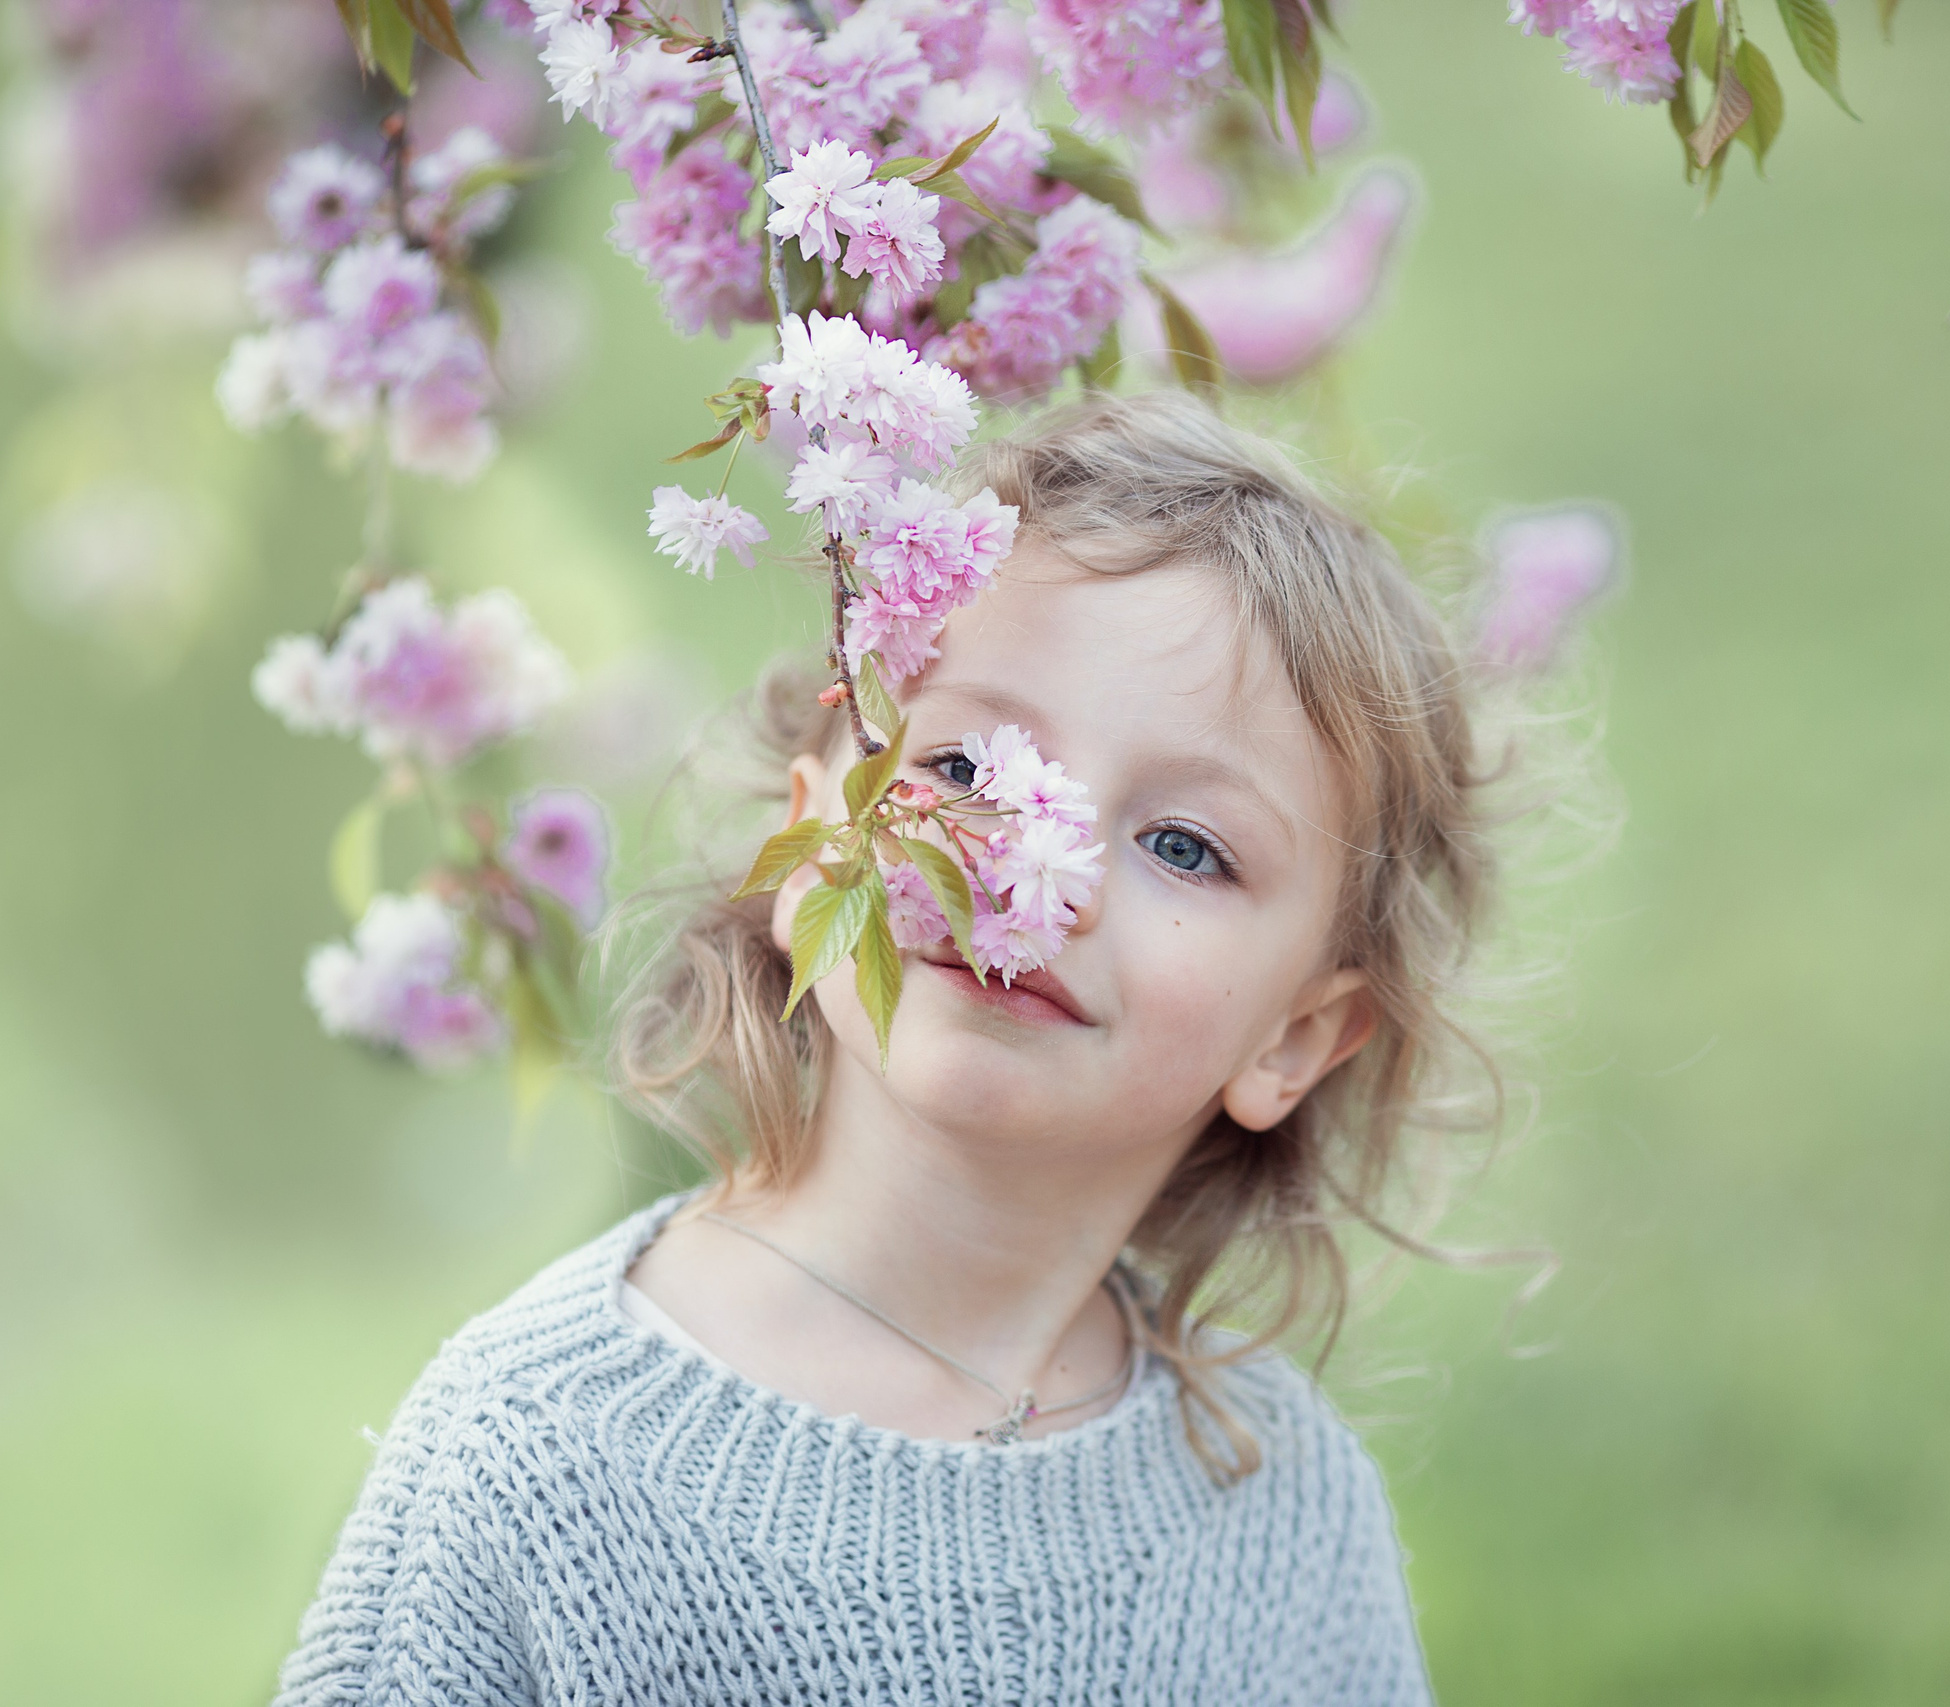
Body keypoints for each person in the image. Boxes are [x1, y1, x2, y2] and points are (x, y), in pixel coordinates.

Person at [274, 392, 1502, 1705]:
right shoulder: (530, 1455)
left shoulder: (1281, 1510)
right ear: (806, 845)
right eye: (965, 766)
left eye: (1182, 846)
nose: (1039, 866)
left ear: (1295, 1038)